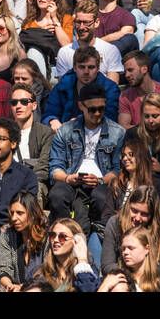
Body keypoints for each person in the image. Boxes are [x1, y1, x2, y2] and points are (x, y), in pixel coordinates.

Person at [47, 82, 124, 237]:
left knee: (102, 197)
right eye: (92, 109)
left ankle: (97, 235)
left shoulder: (117, 132)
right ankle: (64, 234)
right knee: (57, 195)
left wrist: (100, 180)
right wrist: (68, 178)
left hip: (102, 182)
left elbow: (117, 169)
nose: (97, 113)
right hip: (72, 179)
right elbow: (55, 167)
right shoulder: (66, 130)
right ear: (81, 106)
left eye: (101, 109)